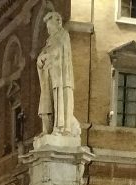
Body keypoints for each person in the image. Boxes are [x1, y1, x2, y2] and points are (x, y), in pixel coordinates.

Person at [36, 6, 78, 136]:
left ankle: (59, 128)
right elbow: (44, 53)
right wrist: (40, 59)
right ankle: (49, 129)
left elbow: (58, 51)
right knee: (48, 101)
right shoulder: (49, 40)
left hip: (61, 77)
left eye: (50, 27)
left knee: (60, 100)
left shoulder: (63, 35)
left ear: (57, 23)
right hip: (51, 76)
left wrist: (47, 56)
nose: (48, 30)